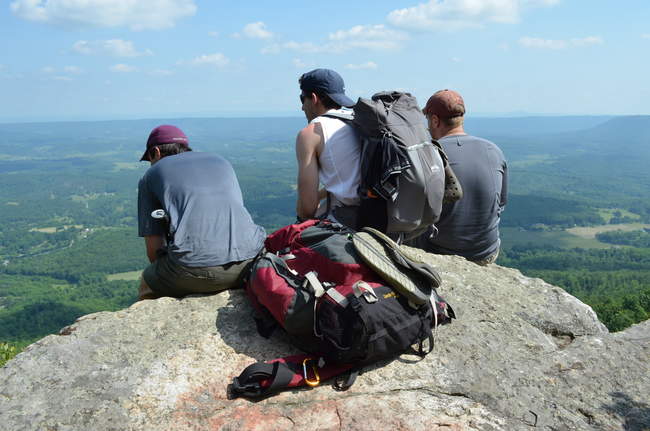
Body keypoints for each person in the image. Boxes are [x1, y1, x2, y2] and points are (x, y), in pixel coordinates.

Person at [137, 125, 266, 300]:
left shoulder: (151, 175)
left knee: (147, 283)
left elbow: (154, 250)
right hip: (253, 261)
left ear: (156, 152)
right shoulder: (221, 161)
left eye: (149, 159)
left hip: (196, 270)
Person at [419, 90, 508, 265]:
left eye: (428, 119)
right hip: (486, 252)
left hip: (439, 252)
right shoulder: (493, 150)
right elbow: (501, 204)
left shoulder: (428, 154)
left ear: (435, 120)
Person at [295, 68, 361, 229]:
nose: (302, 107)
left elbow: (307, 209)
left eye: (302, 99)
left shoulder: (310, 134)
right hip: (383, 215)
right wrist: (320, 195)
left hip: (349, 225)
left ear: (314, 98)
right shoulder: (358, 121)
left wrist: (303, 207)